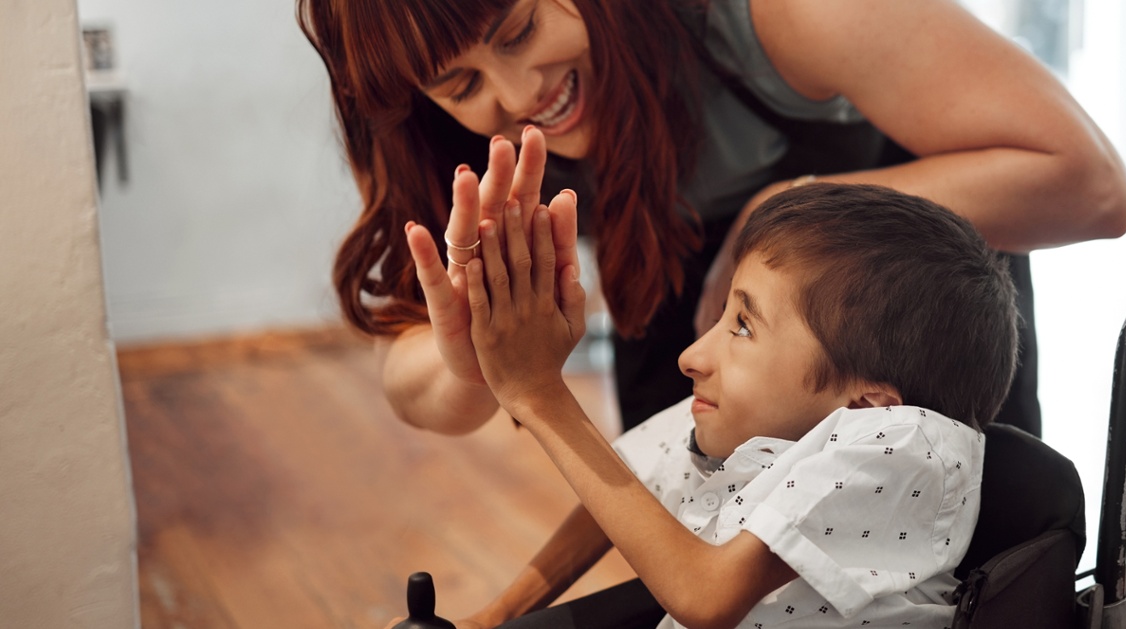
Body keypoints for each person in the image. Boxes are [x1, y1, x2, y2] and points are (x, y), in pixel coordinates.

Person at [297, 0, 1126, 440]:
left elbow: (1091, 185)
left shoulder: (786, 12)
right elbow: (415, 389)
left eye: (519, 32)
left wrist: (784, 213)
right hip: (677, 287)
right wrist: (470, 355)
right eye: (461, 85)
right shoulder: (446, 140)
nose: (518, 100)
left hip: (901, 310)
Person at [420, 181, 1018, 628]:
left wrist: (540, 394)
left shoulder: (901, 445)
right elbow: (622, 483)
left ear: (867, 405)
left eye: (743, 327)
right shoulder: (749, 417)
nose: (691, 356)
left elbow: (705, 597)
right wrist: (495, 616)